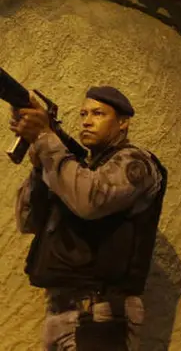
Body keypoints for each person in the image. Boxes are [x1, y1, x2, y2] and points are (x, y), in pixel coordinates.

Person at [11, 86, 167, 350]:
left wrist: (46, 139)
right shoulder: (75, 171)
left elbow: (90, 200)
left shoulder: (136, 162)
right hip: (60, 313)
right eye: (83, 113)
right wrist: (40, 167)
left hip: (100, 314)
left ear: (123, 123)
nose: (87, 120)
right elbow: (28, 222)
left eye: (98, 113)